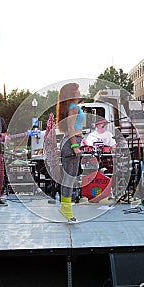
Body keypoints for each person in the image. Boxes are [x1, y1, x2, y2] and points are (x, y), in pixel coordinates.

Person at [56, 82, 85, 222]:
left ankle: (65, 207)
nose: (79, 92)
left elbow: (74, 128)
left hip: (71, 141)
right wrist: (75, 145)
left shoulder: (73, 107)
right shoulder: (73, 108)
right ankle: (66, 210)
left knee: (70, 178)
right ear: (72, 93)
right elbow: (71, 128)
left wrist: (79, 136)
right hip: (70, 143)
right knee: (69, 178)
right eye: (77, 90)